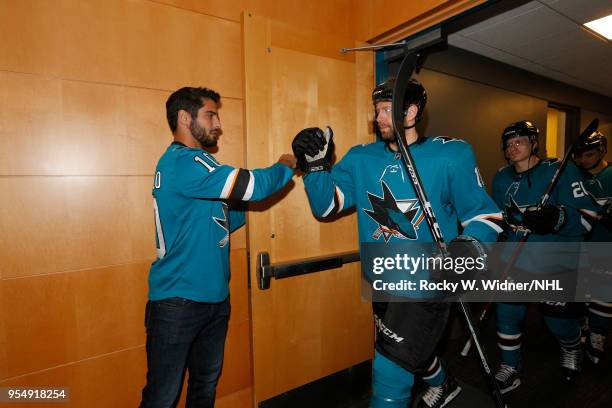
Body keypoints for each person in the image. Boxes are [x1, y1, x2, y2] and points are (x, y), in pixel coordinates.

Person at [292, 78, 503, 408]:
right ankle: (443, 384)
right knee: (407, 351)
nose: (379, 117)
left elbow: (485, 217)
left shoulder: (450, 154)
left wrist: (467, 250)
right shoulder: (361, 158)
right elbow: (326, 206)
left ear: (412, 112)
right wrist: (316, 167)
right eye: (377, 109)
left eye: (387, 110)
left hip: (427, 286)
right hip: (382, 280)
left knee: (389, 375)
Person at [140, 86, 296, 408]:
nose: (218, 124)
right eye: (211, 115)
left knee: (204, 388)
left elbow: (226, 218)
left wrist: (253, 200)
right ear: (185, 118)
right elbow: (251, 185)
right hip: (178, 303)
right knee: (161, 398)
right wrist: (286, 164)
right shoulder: (185, 161)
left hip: (214, 300)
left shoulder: (197, 167)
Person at [491, 121, 598, 393]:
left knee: (558, 321)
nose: (513, 147)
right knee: (506, 314)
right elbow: (497, 221)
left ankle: (572, 347)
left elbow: (588, 220)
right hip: (515, 261)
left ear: (534, 143)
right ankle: (510, 367)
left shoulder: (562, 172)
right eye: (509, 143)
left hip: (555, 261)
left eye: (520, 141)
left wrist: (557, 217)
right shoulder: (501, 179)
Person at [573, 130, 612, 364]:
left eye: (589, 155)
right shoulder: (576, 176)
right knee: (582, 291)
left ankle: (598, 333)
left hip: (605, 243)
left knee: (603, 293)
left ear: (602, 152)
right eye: (580, 156)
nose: (584, 160)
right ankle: (584, 327)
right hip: (580, 244)